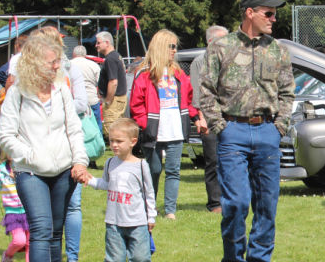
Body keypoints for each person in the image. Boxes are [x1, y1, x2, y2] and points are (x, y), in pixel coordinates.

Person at [196, 0, 294, 262]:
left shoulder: (277, 49)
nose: (273, 19)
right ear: (249, 12)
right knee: (237, 202)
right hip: (233, 132)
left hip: (266, 131)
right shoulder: (221, 47)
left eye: (274, 13)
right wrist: (220, 126)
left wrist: (278, 127)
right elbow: (206, 91)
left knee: (267, 203)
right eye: (268, 13)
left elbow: (288, 92)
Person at [0, 34, 89, 262]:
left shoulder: (61, 89)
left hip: (63, 170)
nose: (57, 66)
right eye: (52, 62)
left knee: (55, 230)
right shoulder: (16, 93)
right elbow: (5, 136)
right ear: (35, 63)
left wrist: (80, 161)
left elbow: (74, 129)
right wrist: (31, 155)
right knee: (40, 228)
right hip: (31, 173)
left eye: (58, 61)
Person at [129, 29, 206, 220]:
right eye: (171, 46)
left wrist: (196, 118)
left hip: (175, 131)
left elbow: (188, 100)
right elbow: (136, 105)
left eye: (175, 47)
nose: (174, 50)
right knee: (153, 170)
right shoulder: (144, 75)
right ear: (161, 47)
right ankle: (150, 207)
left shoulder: (179, 74)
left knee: (173, 171)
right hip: (154, 130)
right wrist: (145, 124)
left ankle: (170, 210)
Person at [35, 27, 90, 262]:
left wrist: (62, 105)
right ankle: (40, 261)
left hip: (68, 144)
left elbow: (82, 101)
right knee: (43, 216)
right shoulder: (24, 69)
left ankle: (72, 256)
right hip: (38, 153)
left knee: (73, 205)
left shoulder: (70, 69)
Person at [86, 118, 155, 262]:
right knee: (114, 260)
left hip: (137, 222)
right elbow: (106, 184)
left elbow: (149, 193)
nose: (114, 145)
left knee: (140, 259)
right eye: (111, 141)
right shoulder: (110, 163)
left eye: (119, 141)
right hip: (114, 222)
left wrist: (151, 217)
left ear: (133, 142)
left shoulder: (141, 166)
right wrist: (90, 180)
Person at [190, 25, 228, 214]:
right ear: (211, 42)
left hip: (230, 118)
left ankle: (231, 200)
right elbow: (197, 93)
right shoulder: (199, 62)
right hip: (210, 119)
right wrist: (201, 118)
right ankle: (215, 203)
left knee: (231, 161)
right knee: (213, 162)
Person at [95, 31, 128, 138]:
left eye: (98, 43)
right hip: (119, 99)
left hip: (114, 101)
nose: (96, 45)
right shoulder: (116, 56)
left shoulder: (110, 59)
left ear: (107, 42)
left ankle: (119, 154)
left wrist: (108, 100)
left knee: (113, 132)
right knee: (119, 130)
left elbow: (113, 82)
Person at [71, 45, 103, 133]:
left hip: (75, 101)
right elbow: (100, 83)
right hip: (91, 98)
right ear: (85, 54)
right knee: (96, 125)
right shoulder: (94, 65)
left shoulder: (69, 65)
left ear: (73, 54)